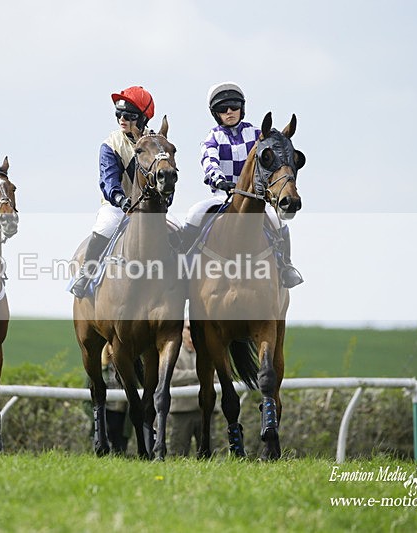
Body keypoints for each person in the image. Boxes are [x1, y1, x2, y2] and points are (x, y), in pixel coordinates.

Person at [184, 82, 303, 288]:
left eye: (234, 106)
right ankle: (184, 266)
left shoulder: (258, 135)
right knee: (194, 214)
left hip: (255, 195)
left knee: (278, 220)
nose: (229, 112)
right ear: (216, 113)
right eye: (223, 109)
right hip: (222, 195)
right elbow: (209, 162)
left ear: (242, 108)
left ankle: (285, 266)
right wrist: (219, 180)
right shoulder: (212, 138)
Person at [69, 86, 157, 298]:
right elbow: (108, 181)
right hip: (118, 206)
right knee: (106, 225)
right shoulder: (110, 145)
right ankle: (86, 272)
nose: (122, 119)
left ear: (143, 118)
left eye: (129, 115)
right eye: (119, 114)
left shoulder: (156, 143)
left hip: (149, 208)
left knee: (177, 229)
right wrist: (121, 200)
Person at [168, 319, 208, 456]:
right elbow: (172, 376)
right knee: (177, 453)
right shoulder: (173, 352)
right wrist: (200, 374)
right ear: (182, 330)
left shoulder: (208, 350)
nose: (192, 333)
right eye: (189, 328)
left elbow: (216, 376)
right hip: (181, 412)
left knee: (210, 453)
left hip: (206, 411)